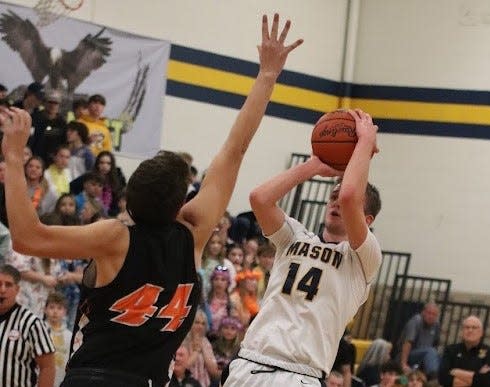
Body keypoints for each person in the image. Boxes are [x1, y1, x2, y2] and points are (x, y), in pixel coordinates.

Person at [0, 13, 302, 387]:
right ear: (179, 207)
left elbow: (27, 237)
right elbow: (235, 149)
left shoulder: (114, 236)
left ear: (127, 202)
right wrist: (268, 75)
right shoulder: (193, 234)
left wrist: (14, 156)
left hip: (93, 378)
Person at [223, 108, 381, 387]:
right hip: (250, 361)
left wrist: (365, 143)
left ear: (367, 220)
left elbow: (348, 197)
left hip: (299, 375)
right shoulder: (295, 237)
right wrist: (313, 166)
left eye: (342, 200)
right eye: (330, 197)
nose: (335, 202)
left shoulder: (363, 258)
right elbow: (259, 198)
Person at [0, 264, 55, 387]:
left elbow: (48, 367)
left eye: (8, 285)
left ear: (17, 289)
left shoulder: (32, 323)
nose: (2, 290)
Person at [438, 315, 490, 387]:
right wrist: (476, 377)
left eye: (474, 327)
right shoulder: (451, 350)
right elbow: (442, 378)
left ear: (481, 332)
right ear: (462, 331)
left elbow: (488, 381)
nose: (470, 330)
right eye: (467, 327)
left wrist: (456, 372)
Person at [395, 302, 441, 379]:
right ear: (423, 312)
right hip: (409, 355)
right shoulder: (416, 321)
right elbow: (407, 343)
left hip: (424, 357)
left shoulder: (436, 325)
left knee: (439, 356)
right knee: (431, 351)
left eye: (434, 314)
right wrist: (403, 364)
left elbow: (435, 344)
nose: (431, 316)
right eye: (429, 313)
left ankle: (436, 376)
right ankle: (434, 377)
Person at [44, 291, 73, 387]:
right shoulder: (39, 331)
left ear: (65, 311)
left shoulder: (70, 336)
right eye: (51, 307)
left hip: (60, 380)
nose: (55, 311)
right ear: (45, 309)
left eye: (59, 308)